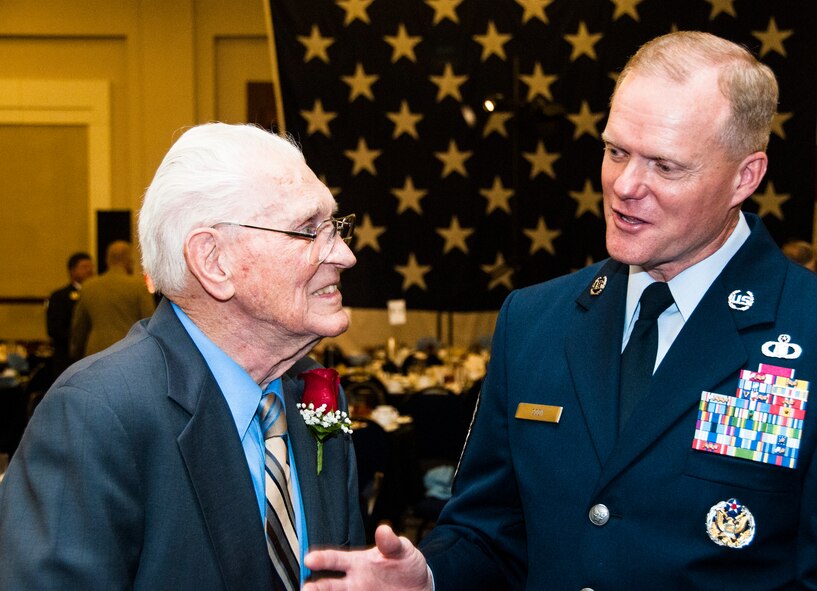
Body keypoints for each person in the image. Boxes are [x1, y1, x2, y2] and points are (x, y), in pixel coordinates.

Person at [301, 31, 817, 590]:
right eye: (616, 151)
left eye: (665, 167)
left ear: (746, 176)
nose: (625, 185)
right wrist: (427, 576)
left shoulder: (805, 327)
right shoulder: (533, 321)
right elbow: (488, 533)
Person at [0, 123, 364, 589]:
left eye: (334, 227)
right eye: (308, 230)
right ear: (213, 261)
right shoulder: (97, 414)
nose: (345, 254)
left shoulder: (314, 392)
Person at [68, 239, 156, 359]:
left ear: (107, 260)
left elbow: (79, 327)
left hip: (95, 354)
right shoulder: (138, 286)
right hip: (129, 352)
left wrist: (75, 352)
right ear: (128, 261)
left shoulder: (89, 286)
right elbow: (149, 322)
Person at [45, 251, 94, 376]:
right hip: (66, 358)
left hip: (91, 356)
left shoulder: (97, 295)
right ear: (72, 271)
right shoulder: (60, 296)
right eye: (84, 267)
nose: (90, 271)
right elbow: (54, 329)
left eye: (91, 267)